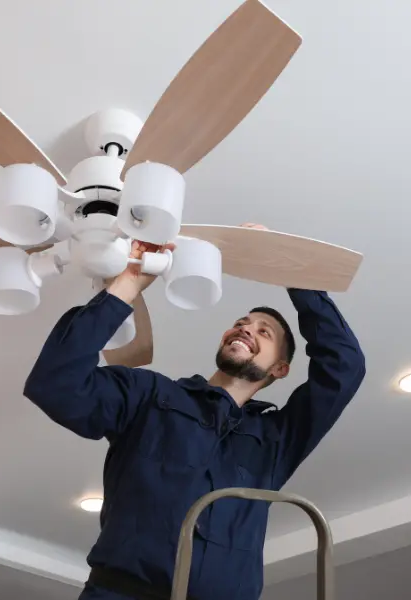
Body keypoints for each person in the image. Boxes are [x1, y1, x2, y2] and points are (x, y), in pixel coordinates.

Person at [24, 223, 366, 600]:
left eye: (264, 332)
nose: (246, 329)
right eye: (241, 324)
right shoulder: (149, 396)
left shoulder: (276, 441)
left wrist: (286, 268)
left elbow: (344, 367)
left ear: (280, 368)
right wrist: (127, 284)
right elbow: (56, 384)